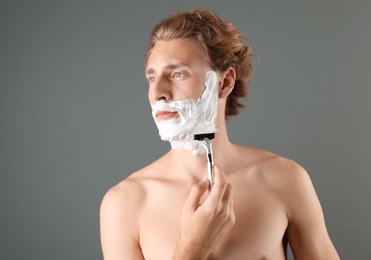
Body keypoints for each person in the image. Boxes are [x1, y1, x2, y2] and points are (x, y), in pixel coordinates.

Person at [100, 8, 339, 259]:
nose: (157, 92)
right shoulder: (124, 203)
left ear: (224, 83)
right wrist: (193, 248)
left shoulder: (285, 180)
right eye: (151, 77)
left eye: (178, 74)